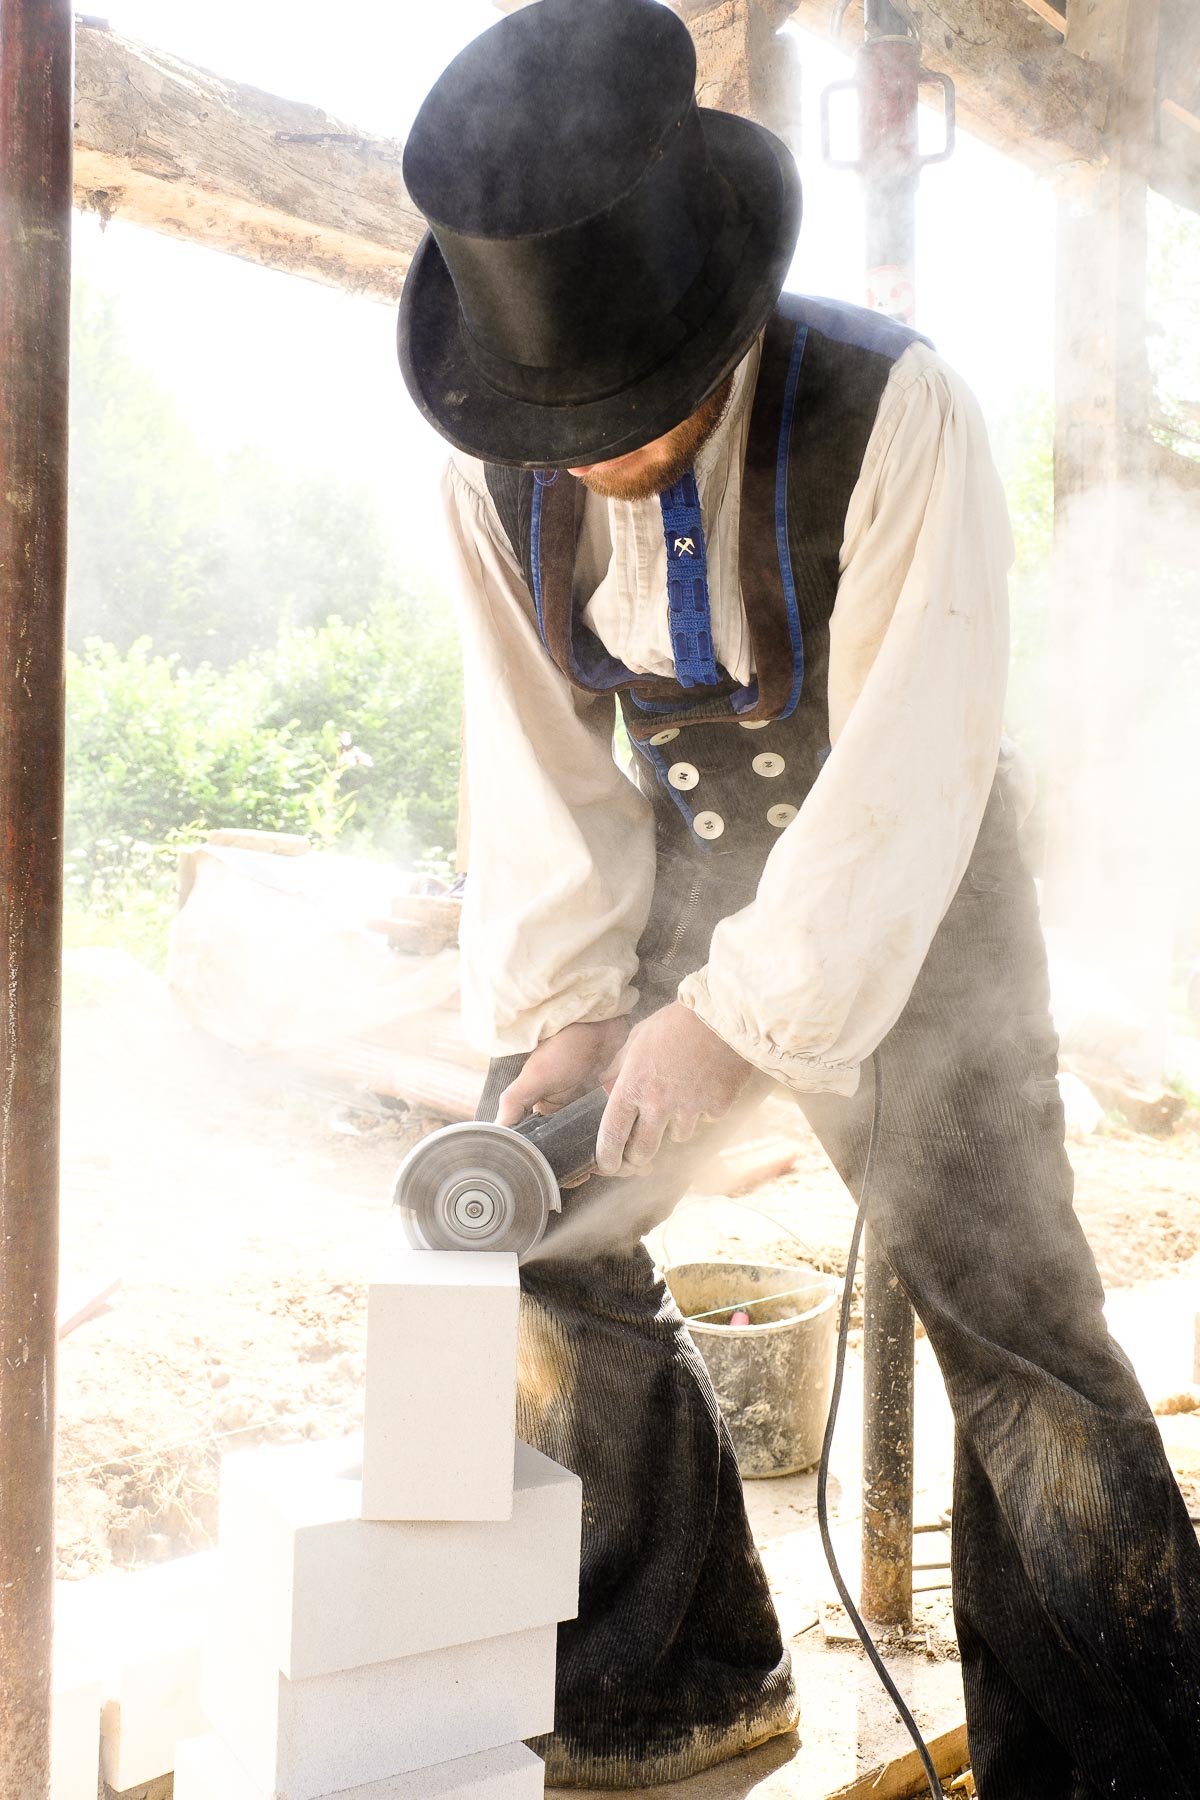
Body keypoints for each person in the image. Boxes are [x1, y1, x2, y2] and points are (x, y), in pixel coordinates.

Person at [397, 1, 1200, 1792]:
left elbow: (914, 764)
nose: (583, 449)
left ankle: (1121, 1755)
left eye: (621, 409)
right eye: (557, 416)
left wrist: (742, 1023)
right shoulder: (491, 476)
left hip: (908, 888)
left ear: (711, 313)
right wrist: (580, 1005)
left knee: (1009, 1309)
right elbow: (535, 755)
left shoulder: (895, 408)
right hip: (689, 879)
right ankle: (682, 1672)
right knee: (527, 1218)